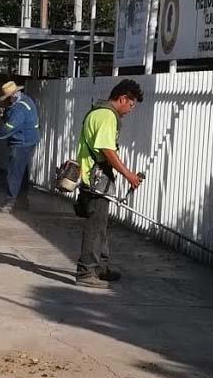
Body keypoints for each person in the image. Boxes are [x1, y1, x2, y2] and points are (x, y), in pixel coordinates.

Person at [74, 79, 144, 288]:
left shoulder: (98, 112)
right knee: (95, 226)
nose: (130, 110)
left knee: (101, 224)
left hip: (94, 175)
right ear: (123, 98)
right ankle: (86, 272)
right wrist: (128, 175)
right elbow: (107, 149)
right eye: (131, 105)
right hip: (96, 177)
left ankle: (100, 267)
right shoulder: (107, 116)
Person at [0, 81, 40, 212]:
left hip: (21, 142)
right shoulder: (26, 100)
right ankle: (22, 201)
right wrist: (6, 112)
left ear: (13, 96)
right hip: (29, 140)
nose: (7, 101)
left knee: (14, 172)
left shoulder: (19, 108)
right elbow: (13, 113)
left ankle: (10, 201)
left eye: (8, 99)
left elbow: (10, 126)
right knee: (21, 171)